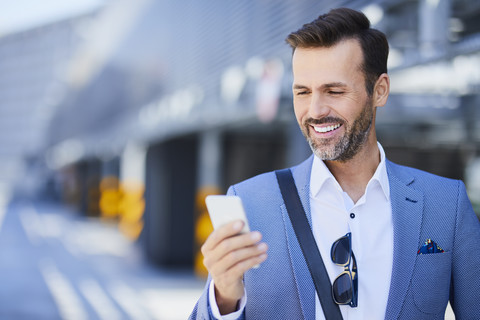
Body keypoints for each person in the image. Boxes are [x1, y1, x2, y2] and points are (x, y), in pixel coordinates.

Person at [190, 7, 480, 320]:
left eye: (334, 91)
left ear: (379, 91)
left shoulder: (446, 205)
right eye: (303, 91)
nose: (315, 110)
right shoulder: (249, 203)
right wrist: (224, 296)